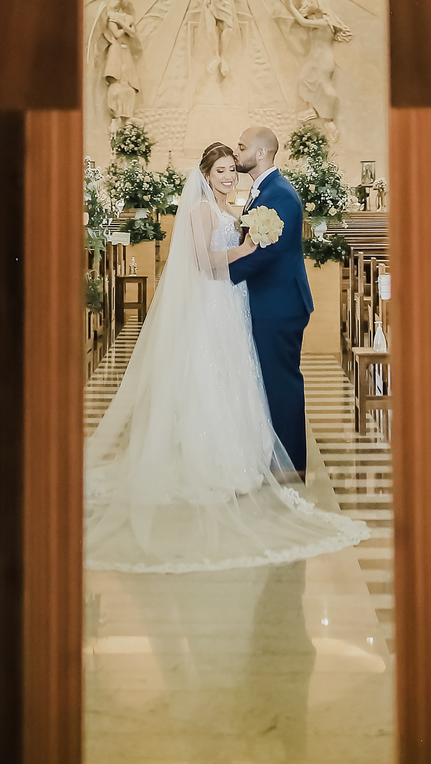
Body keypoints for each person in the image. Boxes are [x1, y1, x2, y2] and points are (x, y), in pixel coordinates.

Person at [84, 141, 367, 573]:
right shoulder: (201, 211)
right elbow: (203, 263)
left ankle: (245, 456)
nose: (229, 177)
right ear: (205, 175)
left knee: (238, 377)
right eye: (220, 171)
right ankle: (208, 463)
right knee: (208, 378)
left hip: (234, 304)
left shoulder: (232, 209)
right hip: (212, 304)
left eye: (232, 170)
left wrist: (251, 241)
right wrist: (247, 249)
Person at [228, 126, 313, 478]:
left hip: (280, 305)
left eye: (242, 146)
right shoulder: (264, 190)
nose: (236, 152)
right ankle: (275, 458)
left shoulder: (280, 194)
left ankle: (291, 467)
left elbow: (268, 254)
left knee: (281, 385)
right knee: (270, 383)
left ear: (261, 153)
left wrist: (221, 274)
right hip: (270, 301)